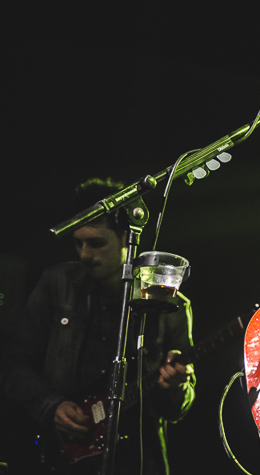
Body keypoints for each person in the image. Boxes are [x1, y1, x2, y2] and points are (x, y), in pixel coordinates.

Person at [1, 178, 195, 475]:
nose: (84, 254)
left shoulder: (170, 304)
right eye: (78, 243)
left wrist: (177, 386)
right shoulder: (56, 284)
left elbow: (177, 410)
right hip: (62, 457)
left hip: (137, 462)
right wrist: (52, 406)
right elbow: (14, 362)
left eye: (96, 243)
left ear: (127, 239)